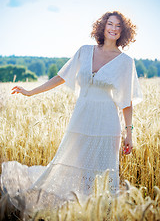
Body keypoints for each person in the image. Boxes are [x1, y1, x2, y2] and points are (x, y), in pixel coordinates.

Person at [1, 11, 143, 215]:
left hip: (107, 125)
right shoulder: (84, 51)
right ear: (102, 26)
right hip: (81, 120)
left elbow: (126, 101)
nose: (113, 28)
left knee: (103, 177)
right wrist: (31, 92)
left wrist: (129, 133)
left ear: (124, 31)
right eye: (110, 24)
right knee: (73, 169)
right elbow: (61, 77)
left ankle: (100, 216)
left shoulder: (126, 62)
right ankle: (76, 214)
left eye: (118, 26)